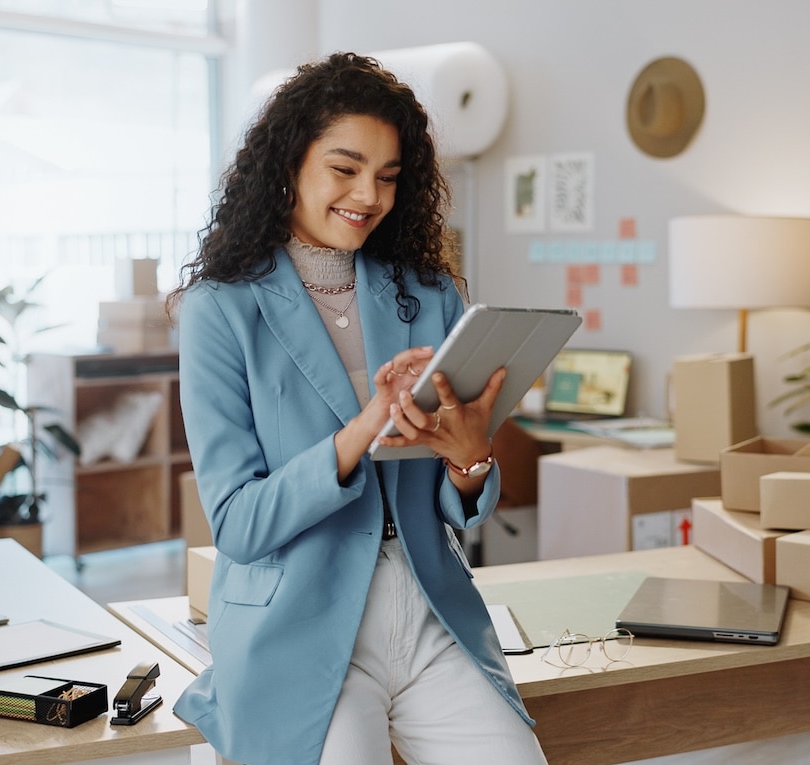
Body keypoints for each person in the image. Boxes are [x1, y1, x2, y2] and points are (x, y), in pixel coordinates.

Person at [166, 52, 548, 765]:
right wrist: (364, 427)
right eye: (345, 169)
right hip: (299, 628)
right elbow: (240, 524)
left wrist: (470, 456)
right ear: (290, 163)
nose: (368, 194)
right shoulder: (219, 309)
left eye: (389, 176)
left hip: (429, 610)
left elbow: (457, 496)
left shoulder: (429, 294)